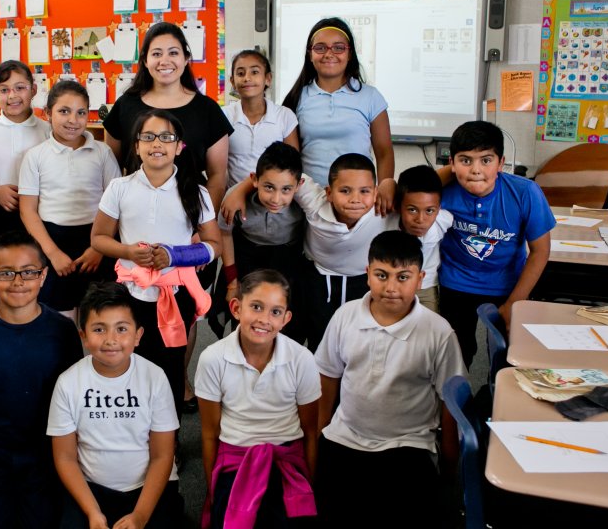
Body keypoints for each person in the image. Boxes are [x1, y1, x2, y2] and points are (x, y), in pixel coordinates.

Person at [314, 231, 465, 525]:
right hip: (345, 436)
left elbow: (451, 401)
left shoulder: (439, 332)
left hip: (408, 445)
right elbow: (328, 377)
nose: (391, 287)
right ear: (367, 273)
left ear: (420, 279)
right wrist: (319, 436)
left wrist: (449, 463)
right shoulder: (345, 316)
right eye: (382, 275)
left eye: (403, 277)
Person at [0, 231, 85, 528]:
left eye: (28, 272)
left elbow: (73, 388)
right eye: (6, 273)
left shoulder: (62, 330)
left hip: (45, 452)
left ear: (43, 275)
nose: (18, 282)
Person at [92, 109, 222, 412]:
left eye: (166, 137)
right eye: (148, 137)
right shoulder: (120, 188)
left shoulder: (196, 193)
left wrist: (175, 255)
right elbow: (98, 238)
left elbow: (214, 244)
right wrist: (128, 252)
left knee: (170, 367)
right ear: (136, 146)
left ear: (179, 146)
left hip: (174, 295)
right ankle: (132, 431)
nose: (156, 144)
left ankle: (169, 440)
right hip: (129, 294)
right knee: (127, 361)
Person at [223, 152, 397, 351]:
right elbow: (279, 176)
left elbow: (421, 196)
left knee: (360, 341)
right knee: (317, 339)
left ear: (376, 192)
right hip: (318, 279)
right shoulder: (315, 201)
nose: (355, 199)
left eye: (364, 191)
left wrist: (390, 182)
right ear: (329, 192)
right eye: (345, 191)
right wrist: (240, 190)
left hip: (362, 282)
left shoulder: (385, 209)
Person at [47, 282, 184, 529]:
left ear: (138, 335)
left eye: (121, 329)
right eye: (99, 329)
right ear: (84, 336)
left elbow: (163, 455)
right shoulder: (68, 383)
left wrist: (140, 516)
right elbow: (65, 457)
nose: (111, 340)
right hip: (91, 490)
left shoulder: (155, 377)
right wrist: (92, 512)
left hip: (148, 488)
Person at [194, 270, 320, 528]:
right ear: (236, 308)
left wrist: (309, 483)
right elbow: (209, 433)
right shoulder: (212, 358)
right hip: (235, 457)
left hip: (287, 456)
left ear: (286, 319)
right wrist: (213, 490)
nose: (264, 319)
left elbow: (310, 431)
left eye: (275, 312)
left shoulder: (302, 358)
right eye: (256, 307)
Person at [439, 120, 555, 367]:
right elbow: (414, 188)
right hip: (456, 282)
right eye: (465, 160)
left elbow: (540, 251)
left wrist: (514, 303)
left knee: (507, 358)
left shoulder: (525, 192)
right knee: (455, 356)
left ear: (501, 163)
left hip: (508, 284)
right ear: (451, 163)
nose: (476, 170)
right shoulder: (440, 191)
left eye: (486, 160)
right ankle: (452, 403)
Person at [102, 21, 233, 209]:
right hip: (135, 212)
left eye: (173, 53)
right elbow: (113, 170)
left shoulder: (207, 109)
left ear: (186, 58)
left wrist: (202, 224)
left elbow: (218, 177)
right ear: (145, 61)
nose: (165, 61)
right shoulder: (125, 105)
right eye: (156, 54)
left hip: (191, 213)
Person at [19, 80, 120, 318]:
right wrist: (52, 253)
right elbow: (28, 211)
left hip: (95, 240)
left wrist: (99, 248)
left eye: (81, 112)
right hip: (52, 241)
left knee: (99, 317)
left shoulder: (102, 152)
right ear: (48, 113)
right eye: (64, 111)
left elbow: (116, 203)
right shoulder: (36, 156)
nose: (73, 120)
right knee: (61, 320)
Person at [281, 17, 395, 213]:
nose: (329, 54)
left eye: (338, 48)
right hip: (309, 200)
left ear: (349, 54)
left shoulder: (370, 96)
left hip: (357, 200)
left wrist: (385, 184)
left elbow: (384, 152)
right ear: (310, 54)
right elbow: (290, 157)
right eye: (320, 48)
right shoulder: (296, 98)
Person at [218, 142, 306, 338]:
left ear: (298, 186)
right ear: (254, 180)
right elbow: (225, 235)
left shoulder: (304, 205)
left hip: (287, 262)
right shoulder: (234, 201)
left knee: (286, 325)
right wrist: (232, 283)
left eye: (285, 190)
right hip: (248, 261)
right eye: (268, 187)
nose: (276, 199)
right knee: (246, 320)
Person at [0, 60, 50, 265]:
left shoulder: (48, 131)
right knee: (1, 269)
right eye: (4, 90)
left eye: (20, 88)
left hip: (41, 216)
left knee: (36, 268)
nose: (12, 96)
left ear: (33, 90)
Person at [222, 49, 299, 186]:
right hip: (234, 200)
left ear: (268, 79)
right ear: (233, 82)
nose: (247, 78)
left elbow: (293, 165)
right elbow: (217, 167)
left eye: (255, 72)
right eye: (240, 73)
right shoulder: (224, 116)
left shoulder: (284, 116)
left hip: (277, 199)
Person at [395, 165, 453, 313]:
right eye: (412, 210)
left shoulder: (444, 220)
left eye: (429, 211)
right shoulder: (384, 221)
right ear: (397, 206)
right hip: (391, 286)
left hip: (426, 288)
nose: (420, 219)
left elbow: (457, 170)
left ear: (438, 209)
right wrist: (387, 183)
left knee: (427, 331)